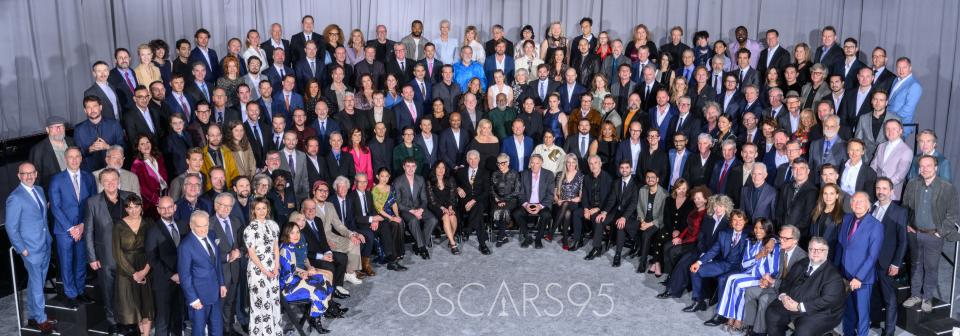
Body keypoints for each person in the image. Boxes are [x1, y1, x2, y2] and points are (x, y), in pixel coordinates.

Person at [902, 155, 960, 312]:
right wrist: (907, 225)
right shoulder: (912, 184)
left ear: (936, 168)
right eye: (922, 166)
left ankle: (927, 298)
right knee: (915, 266)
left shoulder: (947, 187)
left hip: (934, 236)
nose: (925, 169)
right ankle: (915, 295)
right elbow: (905, 207)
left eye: (928, 166)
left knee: (931, 267)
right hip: (914, 233)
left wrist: (940, 232)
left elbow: (952, 214)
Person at [6, 163, 58, 333]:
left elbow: (41, 217)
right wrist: (22, 249)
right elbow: (11, 227)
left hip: (44, 243)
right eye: (24, 174)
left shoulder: (39, 190)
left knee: (37, 282)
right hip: (30, 249)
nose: (28, 176)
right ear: (18, 175)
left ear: (36, 174)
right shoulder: (15, 198)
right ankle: (41, 319)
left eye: (31, 173)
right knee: (36, 283)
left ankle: (34, 315)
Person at [85, 168, 135, 333]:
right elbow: (89, 232)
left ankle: (129, 321)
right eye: (106, 180)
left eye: (113, 179)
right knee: (109, 291)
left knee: (129, 290)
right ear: (101, 183)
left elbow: (140, 226)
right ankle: (113, 322)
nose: (110, 183)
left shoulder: (130, 197)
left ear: (119, 180)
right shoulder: (93, 202)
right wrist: (92, 258)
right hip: (106, 256)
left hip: (130, 255)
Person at [765, 237, 847, 336]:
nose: (815, 252)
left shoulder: (833, 276)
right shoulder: (802, 263)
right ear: (808, 250)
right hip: (793, 302)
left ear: (827, 252)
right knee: (772, 313)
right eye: (812, 249)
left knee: (803, 332)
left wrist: (799, 307)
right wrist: (783, 296)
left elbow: (826, 301)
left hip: (819, 312)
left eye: (820, 250)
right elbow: (786, 282)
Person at [48, 147, 97, 307]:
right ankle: (70, 294)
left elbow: (92, 203)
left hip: (83, 227)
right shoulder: (56, 179)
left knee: (81, 262)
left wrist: (83, 225)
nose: (74, 160)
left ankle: (81, 291)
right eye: (71, 157)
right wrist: (71, 228)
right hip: (64, 230)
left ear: (81, 159)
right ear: (65, 159)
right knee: (67, 262)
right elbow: (55, 207)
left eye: (77, 156)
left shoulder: (89, 178)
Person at [711, 218, 780, 330]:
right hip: (749, 273)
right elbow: (744, 264)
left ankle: (738, 320)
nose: (758, 231)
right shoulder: (750, 241)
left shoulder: (773, 245)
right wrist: (757, 256)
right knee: (730, 279)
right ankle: (729, 316)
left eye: (762, 228)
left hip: (763, 277)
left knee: (738, 284)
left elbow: (775, 267)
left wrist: (767, 278)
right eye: (756, 228)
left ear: (767, 229)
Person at [740, 225, 807, 335]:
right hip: (774, 285)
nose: (781, 240)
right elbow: (774, 271)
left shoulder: (802, 258)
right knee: (749, 291)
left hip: (788, 292)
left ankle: (759, 332)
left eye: (785, 238)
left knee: (764, 299)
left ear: (795, 241)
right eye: (780, 237)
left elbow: (795, 284)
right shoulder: (780, 250)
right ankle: (750, 325)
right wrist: (766, 280)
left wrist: (772, 282)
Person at [835, 192, 884, 336]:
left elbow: (872, 256)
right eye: (854, 201)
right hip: (844, 275)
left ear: (868, 205)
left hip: (862, 279)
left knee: (863, 315)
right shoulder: (847, 219)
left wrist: (859, 277)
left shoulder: (876, 225)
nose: (857, 204)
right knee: (847, 312)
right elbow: (841, 245)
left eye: (861, 201)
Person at [683, 208, 748, 313]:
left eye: (740, 220)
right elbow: (713, 251)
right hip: (724, 264)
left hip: (739, 267)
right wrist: (699, 262)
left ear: (745, 221)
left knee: (723, 279)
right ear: (731, 222)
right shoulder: (724, 234)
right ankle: (698, 302)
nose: (738, 222)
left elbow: (768, 235)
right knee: (695, 270)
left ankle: (720, 313)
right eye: (735, 220)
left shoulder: (750, 234)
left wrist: (772, 240)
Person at [278, 222, 338, 333]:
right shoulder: (284, 250)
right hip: (287, 288)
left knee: (323, 278)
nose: (296, 235)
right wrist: (302, 275)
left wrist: (302, 273)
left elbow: (293, 267)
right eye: (292, 233)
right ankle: (315, 319)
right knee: (317, 289)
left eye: (297, 232)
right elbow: (287, 277)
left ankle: (318, 314)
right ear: (286, 234)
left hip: (294, 280)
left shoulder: (290, 246)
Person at [178, 210, 227, 336]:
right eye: (200, 226)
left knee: (217, 328)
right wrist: (193, 299)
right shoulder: (186, 246)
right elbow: (184, 276)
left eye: (206, 225)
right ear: (191, 226)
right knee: (199, 330)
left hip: (215, 293)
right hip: (198, 296)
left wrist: (221, 284)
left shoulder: (210, 235)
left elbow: (216, 264)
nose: (204, 229)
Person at [112, 194, 155, 335]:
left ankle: (146, 334)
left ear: (141, 207)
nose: (134, 210)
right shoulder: (118, 225)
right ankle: (142, 332)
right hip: (126, 270)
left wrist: (145, 271)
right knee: (135, 306)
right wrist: (134, 273)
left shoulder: (149, 223)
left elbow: (155, 249)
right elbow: (117, 252)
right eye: (130, 208)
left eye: (136, 207)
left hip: (146, 266)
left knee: (147, 305)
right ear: (126, 209)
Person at [239, 197, 281, 335]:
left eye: (264, 208)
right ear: (253, 211)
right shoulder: (249, 230)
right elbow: (252, 254)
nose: (262, 211)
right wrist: (265, 271)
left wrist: (276, 267)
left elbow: (276, 248)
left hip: (273, 269)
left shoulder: (273, 225)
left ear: (268, 209)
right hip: (258, 271)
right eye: (258, 209)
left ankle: (274, 332)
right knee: (261, 302)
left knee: (273, 301)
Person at [145, 197, 185, 336]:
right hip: (163, 283)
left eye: (169, 207)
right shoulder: (153, 231)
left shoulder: (183, 225)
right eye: (163, 208)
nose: (166, 211)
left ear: (175, 207)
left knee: (178, 318)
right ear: (158, 210)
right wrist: (172, 275)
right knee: (163, 321)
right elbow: (152, 259)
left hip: (182, 280)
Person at [585, 160, 638, 267]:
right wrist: (604, 212)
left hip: (628, 214)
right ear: (619, 169)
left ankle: (617, 254)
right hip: (615, 212)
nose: (624, 170)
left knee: (620, 226)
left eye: (627, 167)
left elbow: (633, 204)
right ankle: (596, 248)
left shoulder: (636, 184)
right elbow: (611, 200)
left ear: (631, 169)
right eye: (622, 167)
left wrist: (624, 217)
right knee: (599, 219)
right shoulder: (617, 182)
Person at [394, 158, 437, 258]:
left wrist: (420, 210)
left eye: (413, 166)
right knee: (413, 221)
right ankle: (422, 248)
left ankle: (419, 245)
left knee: (433, 220)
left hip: (419, 208)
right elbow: (398, 202)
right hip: (406, 210)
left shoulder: (420, 179)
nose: (410, 169)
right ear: (404, 167)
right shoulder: (398, 181)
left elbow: (424, 199)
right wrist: (413, 211)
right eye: (408, 166)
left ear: (416, 167)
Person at [648, 179, 693, 277]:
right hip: (669, 228)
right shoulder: (669, 200)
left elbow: (688, 221)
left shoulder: (690, 203)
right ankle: (657, 264)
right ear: (675, 189)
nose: (681, 191)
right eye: (679, 188)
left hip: (682, 232)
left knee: (662, 239)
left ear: (687, 189)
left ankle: (655, 263)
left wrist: (679, 231)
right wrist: (672, 230)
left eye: (684, 188)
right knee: (659, 237)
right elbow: (666, 218)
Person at [370, 169, 410, 268]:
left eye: (387, 176)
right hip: (381, 216)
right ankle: (392, 254)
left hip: (390, 214)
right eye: (382, 176)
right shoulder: (375, 189)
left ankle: (399, 252)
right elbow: (379, 209)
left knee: (399, 223)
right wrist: (391, 218)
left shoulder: (390, 187)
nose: (384, 178)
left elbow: (394, 203)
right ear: (377, 176)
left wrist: (397, 216)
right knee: (394, 224)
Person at [631, 170, 667, 271]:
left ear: (657, 179)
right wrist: (642, 220)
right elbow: (639, 207)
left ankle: (642, 263)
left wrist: (649, 224)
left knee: (646, 234)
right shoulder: (642, 189)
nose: (650, 179)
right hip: (644, 219)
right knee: (629, 225)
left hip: (656, 222)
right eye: (648, 177)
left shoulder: (664, 194)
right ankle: (640, 247)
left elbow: (663, 215)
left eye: (652, 177)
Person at [870, 119, 913, 200]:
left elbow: (900, 176)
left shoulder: (907, 151)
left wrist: (883, 187)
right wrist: (876, 185)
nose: (890, 131)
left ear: (900, 131)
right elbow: (873, 166)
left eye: (894, 129)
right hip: (876, 191)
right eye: (887, 129)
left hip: (892, 193)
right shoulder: (881, 146)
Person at [426, 162, 460, 254]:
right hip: (435, 206)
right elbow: (431, 200)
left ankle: (450, 238)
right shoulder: (430, 181)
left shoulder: (450, 179)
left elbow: (453, 196)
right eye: (438, 167)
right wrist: (442, 208)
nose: (441, 170)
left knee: (452, 216)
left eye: (443, 167)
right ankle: (453, 244)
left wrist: (450, 207)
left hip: (449, 205)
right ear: (434, 169)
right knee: (445, 216)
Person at [810, 183, 845, 258]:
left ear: (837, 195)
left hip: (831, 256)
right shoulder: (816, 212)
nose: (828, 197)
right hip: (814, 254)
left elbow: (840, 244)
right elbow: (811, 235)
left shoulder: (842, 216)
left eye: (831, 193)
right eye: (825, 193)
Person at [887, 57, 922, 127]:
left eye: (904, 67)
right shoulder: (896, 80)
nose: (901, 70)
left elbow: (907, 109)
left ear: (910, 68)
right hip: (888, 122)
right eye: (899, 67)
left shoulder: (914, 85)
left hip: (901, 124)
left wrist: (890, 119)